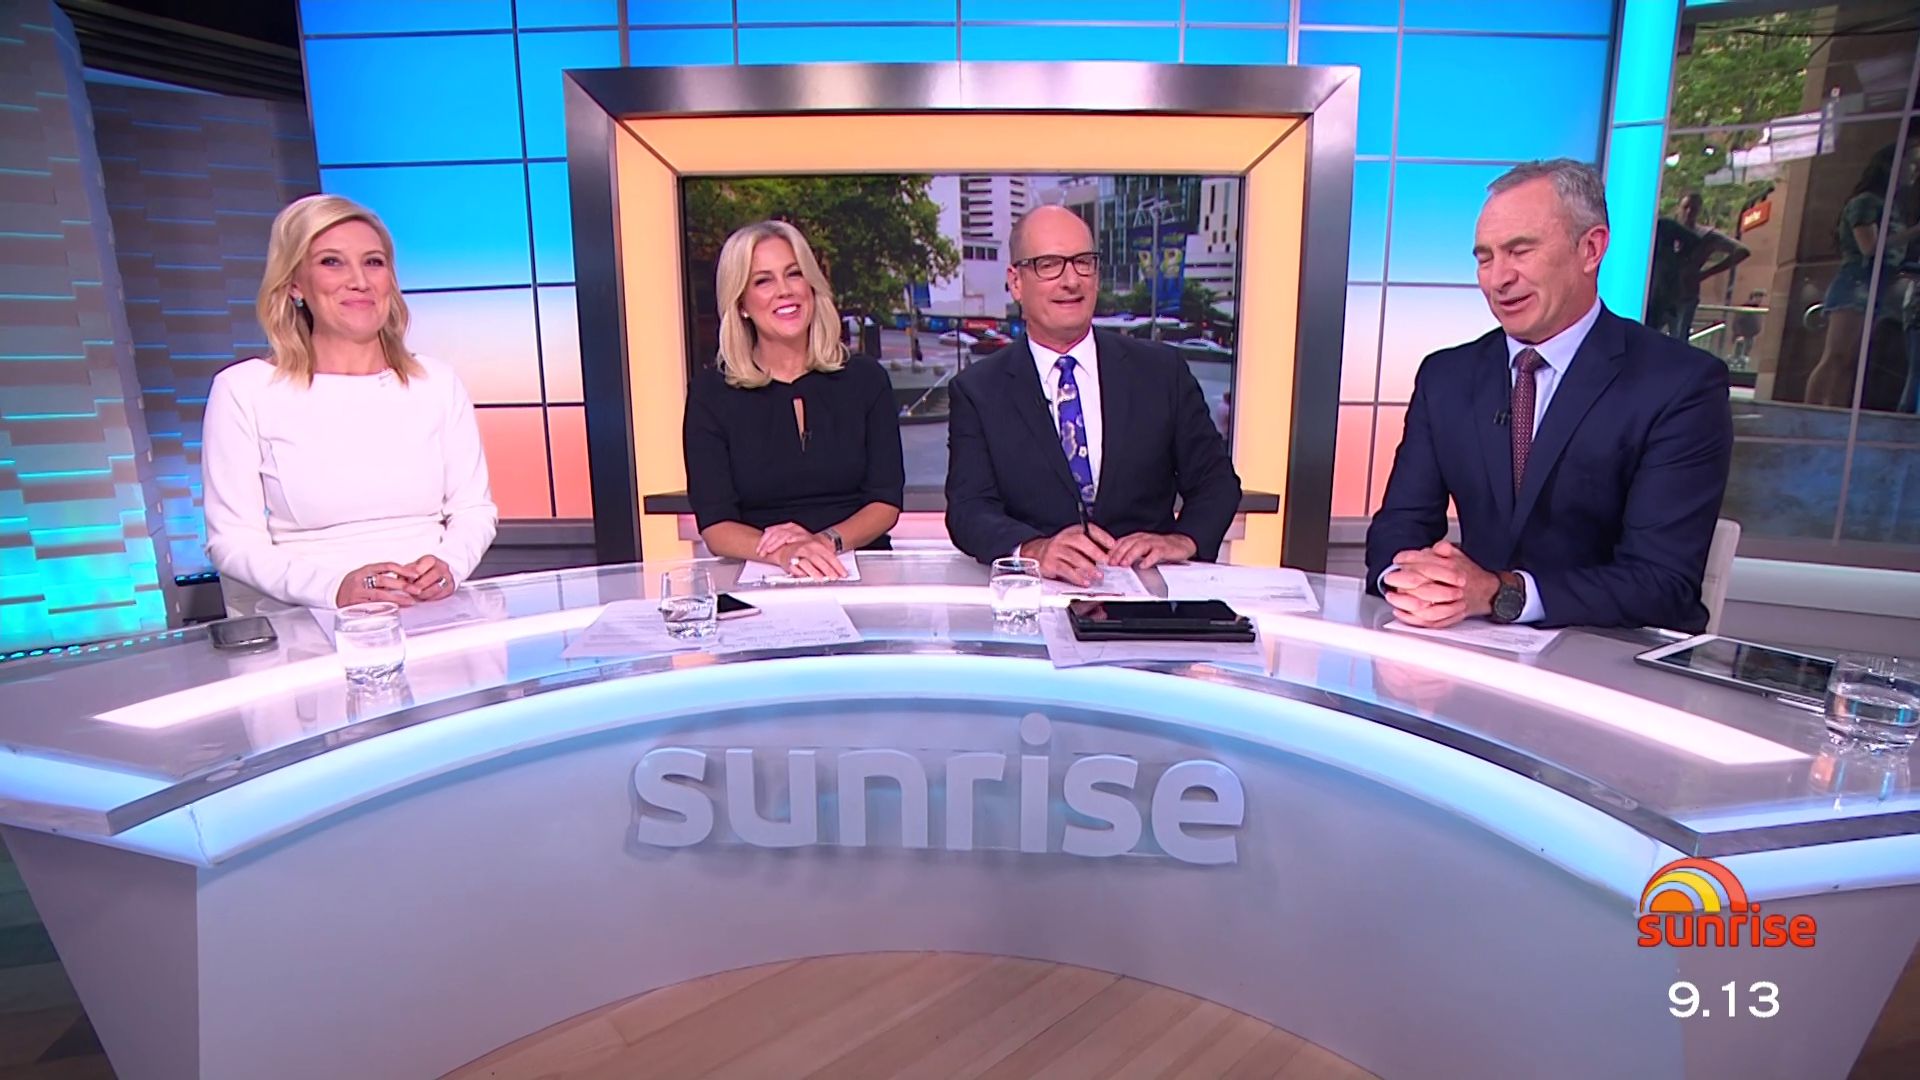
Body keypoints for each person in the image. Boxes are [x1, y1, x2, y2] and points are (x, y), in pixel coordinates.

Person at [1364, 159, 1733, 632]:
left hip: (1609, 654)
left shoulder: (1680, 384)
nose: (1498, 278)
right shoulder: (1446, 377)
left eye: (1520, 251)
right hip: (1470, 648)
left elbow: (1661, 582)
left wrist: (1501, 593)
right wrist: (1412, 579)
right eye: (1484, 258)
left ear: (1590, 249)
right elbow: (1400, 526)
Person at [201, 194, 498, 617]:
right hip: (313, 618)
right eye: (332, 262)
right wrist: (336, 589)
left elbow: (473, 509)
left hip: (435, 613)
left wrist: (449, 564)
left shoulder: (436, 383)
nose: (359, 281)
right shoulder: (244, 389)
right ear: (295, 284)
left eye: (373, 262)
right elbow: (232, 541)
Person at [944, 205, 1242, 587]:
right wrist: (1034, 549)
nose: (1071, 280)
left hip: (1147, 598)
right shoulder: (978, 390)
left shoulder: (1161, 372)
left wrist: (1185, 539)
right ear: (1016, 282)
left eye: (1083, 262)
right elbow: (969, 509)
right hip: (1036, 597)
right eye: (1049, 264)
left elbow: (1216, 482)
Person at [683, 220, 903, 580]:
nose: (785, 291)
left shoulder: (865, 379)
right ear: (741, 303)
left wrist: (823, 542)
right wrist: (787, 553)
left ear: (811, 285)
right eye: (763, 281)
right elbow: (716, 526)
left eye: (794, 274)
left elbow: (885, 503)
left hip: (856, 568)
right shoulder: (711, 394)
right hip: (761, 572)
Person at [1806, 144, 1920, 406]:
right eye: (1911, 163)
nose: (1914, 170)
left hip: (1876, 284)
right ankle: (1810, 410)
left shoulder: (1888, 205)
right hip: (1858, 282)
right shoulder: (1867, 202)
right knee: (1836, 355)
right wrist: (1913, 232)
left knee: (1849, 360)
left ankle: (1834, 412)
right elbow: (1869, 246)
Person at [1646, 192, 1748, 341]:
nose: (1689, 212)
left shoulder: (1706, 236)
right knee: (1647, 334)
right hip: (1659, 293)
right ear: (1679, 208)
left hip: (1685, 295)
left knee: (1679, 340)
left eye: (1693, 209)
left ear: (1699, 211)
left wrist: (1706, 273)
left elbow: (1741, 251)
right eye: (1686, 207)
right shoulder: (1665, 229)